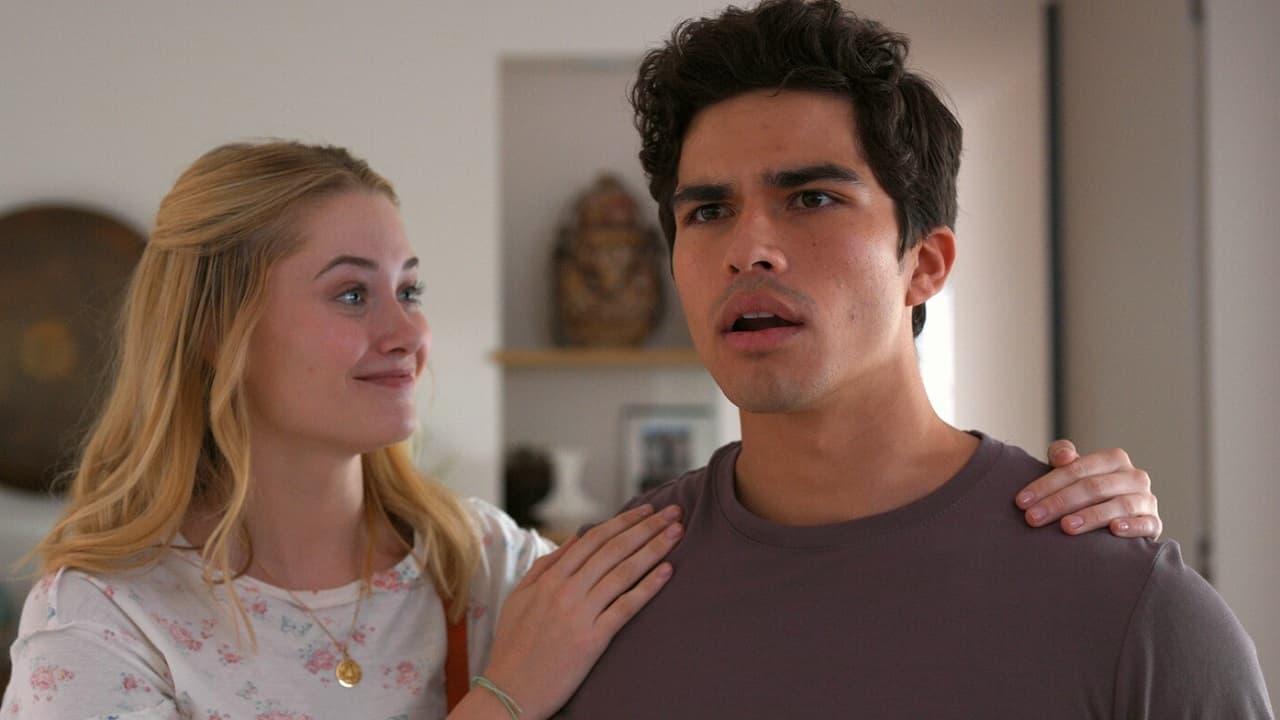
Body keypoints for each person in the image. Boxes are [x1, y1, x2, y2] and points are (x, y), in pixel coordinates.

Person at [1, 141, 1161, 720]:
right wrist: (503, 702)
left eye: (410, 288)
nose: (406, 331)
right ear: (215, 329)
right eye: (351, 293)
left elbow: (791, 615)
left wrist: (1061, 525)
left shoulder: (492, 567)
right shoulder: (103, 616)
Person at [555, 1, 1273, 718]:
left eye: (811, 198)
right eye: (709, 212)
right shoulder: (589, 606)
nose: (748, 251)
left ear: (925, 264)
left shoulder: (1132, 612)